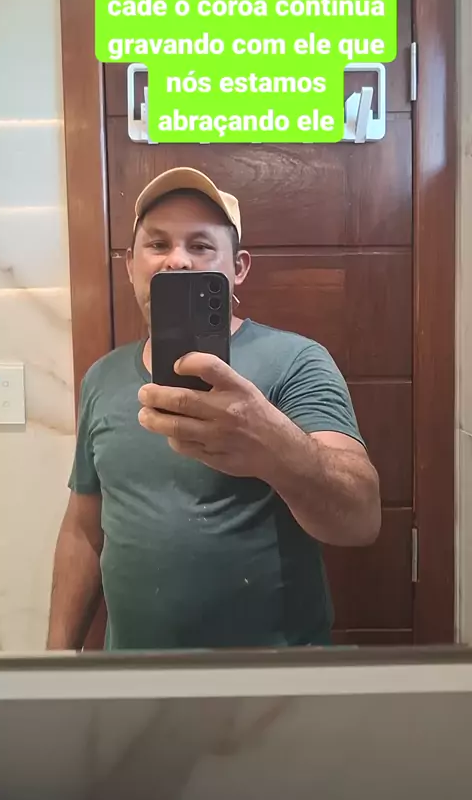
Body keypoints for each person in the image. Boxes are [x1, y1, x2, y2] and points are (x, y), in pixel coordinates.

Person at [47, 166, 381, 651]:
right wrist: (56, 660)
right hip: (133, 677)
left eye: (201, 245)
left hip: (274, 677)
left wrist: (272, 444)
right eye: (158, 244)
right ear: (130, 265)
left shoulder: (297, 360)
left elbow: (361, 517)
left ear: (238, 267)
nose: (177, 261)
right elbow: (83, 531)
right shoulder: (102, 377)